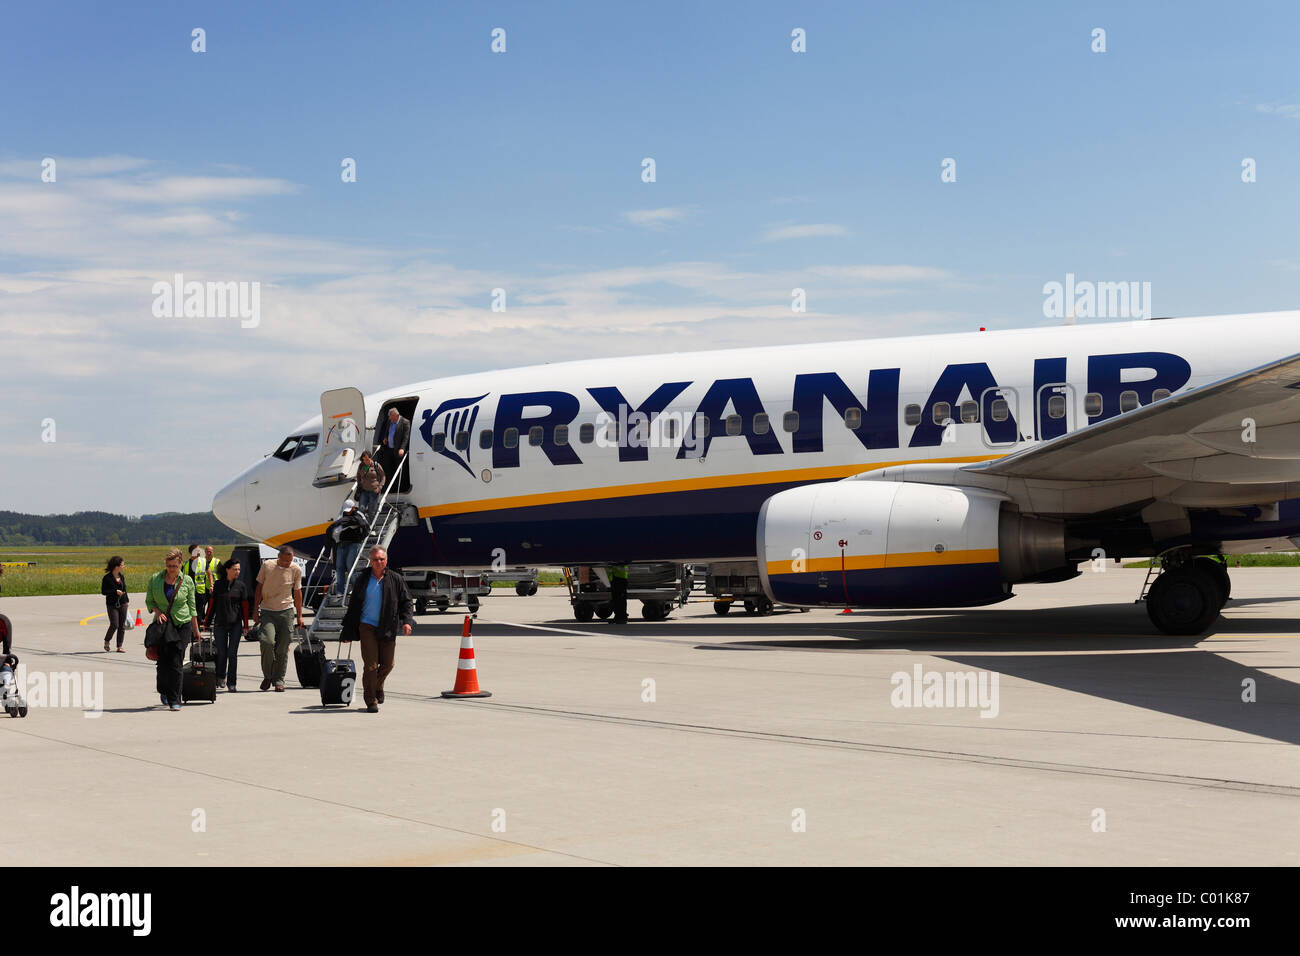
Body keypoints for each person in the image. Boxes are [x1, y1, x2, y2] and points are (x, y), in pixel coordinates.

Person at [339, 546, 413, 713]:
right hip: (367, 626)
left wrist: (407, 622)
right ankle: (371, 699)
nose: (379, 562)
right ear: (370, 561)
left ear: (386, 561)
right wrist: (348, 631)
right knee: (371, 666)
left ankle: (378, 685)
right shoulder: (362, 579)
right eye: (375, 560)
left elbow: (406, 601)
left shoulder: (395, 579)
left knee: (388, 664)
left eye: (381, 559)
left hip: (388, 626)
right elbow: (354, 606)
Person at [145, 547, 199, 711]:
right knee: (162, 663)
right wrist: (158, 612)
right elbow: (149, 601)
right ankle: (164, 690)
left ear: (180, 564)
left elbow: (192, 606)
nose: (171, 569)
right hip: (163, 625)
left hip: (182, 624)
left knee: (176, 661)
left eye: (175, 566)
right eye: (169, 566)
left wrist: (196, 630)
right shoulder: (155, 579)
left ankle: (175, 699)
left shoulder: (187, 581)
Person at [253, 546, 304, 692]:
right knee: (267, 642)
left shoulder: (295, 569)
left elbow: (298, 592)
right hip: (268, 610)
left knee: (283, 647)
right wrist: (255, 610)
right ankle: (268, 675)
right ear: (279, 556)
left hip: (286, 611)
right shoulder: (268, 565)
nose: (288, 563)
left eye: (290, 560)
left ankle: (279, 680)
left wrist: (299, 616)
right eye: (285, 560)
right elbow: (259, 587)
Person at [210, 557, 248, 691]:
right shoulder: (219, 585)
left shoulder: (241, 586)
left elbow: (244, 607)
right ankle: (220, 677)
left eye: (239, 569)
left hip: (236, 625)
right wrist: (207, 622)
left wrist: (246, 625)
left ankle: (232, 683)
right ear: (227, 570)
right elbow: (212, 605)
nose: (237, 572)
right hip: (220, 624)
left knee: (232, 654)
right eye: (234, 569)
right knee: (222, 653)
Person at [327, 501, 371, 596]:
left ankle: (355, 589)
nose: (347, 512)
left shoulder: (359, 515)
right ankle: (340, 591)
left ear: (354, 508)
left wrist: (360, 539)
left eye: (349, 510)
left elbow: (366, 527)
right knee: (339, 568)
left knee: (350, 566)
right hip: (341, 543)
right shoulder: (342, 514)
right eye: (346, 511)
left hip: (354, 543)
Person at [100, 556, 130, 652]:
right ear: (116, 566)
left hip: (123, 602)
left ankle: (119, 646)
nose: (123, 566)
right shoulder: (107, 578)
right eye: (122, 565)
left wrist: (127, 600)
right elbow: (104, 591)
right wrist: (115, 591)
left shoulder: (121, 576)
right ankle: (107, 641)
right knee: (114, 624)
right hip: (112, 604)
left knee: (122, 625)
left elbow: (124, 589)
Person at [377, 408, 410, 493]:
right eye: (389, 417)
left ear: (397, 415)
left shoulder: (405, 422)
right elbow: (387, 431)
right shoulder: (390, 421)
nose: (390, 418)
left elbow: (406, 437)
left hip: (398, 450)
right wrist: (385, 438)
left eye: (391, 416)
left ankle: (402, 488)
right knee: (387, 469)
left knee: (400, 471)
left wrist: (402, 448)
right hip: (389, 449)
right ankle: (389, 488)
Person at [186, 544, 211, 631]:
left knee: (199, 611)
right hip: (189, 592)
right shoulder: (186, 564)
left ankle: (197, 630)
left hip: (200, 592)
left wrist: (211, 585)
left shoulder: (203, 562)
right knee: (190, 612)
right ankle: (191, 629)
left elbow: (209, 573)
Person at [355, 451, 386, 519]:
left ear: (371, 458)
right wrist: (359, 484)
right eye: (363, 460)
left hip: (374, 492)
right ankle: (364, 527)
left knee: (371, 512)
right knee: (361, 510)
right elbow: (358, 475)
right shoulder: (361, 466)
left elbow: (383, 476)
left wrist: (380, 487)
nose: (365, 461)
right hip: (364, 491)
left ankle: (372, 528)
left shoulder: (376, 465)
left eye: (367, 459)